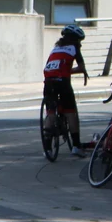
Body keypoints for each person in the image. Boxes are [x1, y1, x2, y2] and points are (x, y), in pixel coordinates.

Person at [42, 24, 90, 157]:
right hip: (62, 82)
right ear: (76, 40)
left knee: (50, 113)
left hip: (49, 82)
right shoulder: (74, 48)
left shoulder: (55, 49)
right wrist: (69, 70)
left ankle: (47, 149)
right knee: (70, 113)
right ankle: (76, 146)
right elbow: (81, 68)